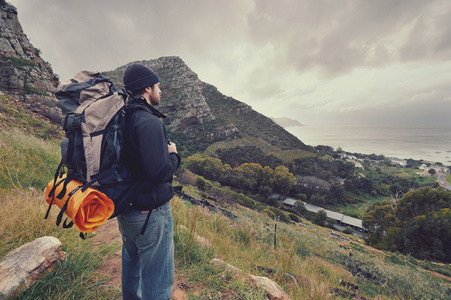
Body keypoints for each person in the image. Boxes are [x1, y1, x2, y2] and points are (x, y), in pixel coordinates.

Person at [118, 63, 181, 300]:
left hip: (127, 210)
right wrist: (174, 155)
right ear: (147, 88)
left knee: (132, 272)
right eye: (158, 85)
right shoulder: (150, 122)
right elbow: (159, 173)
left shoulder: (122, 118)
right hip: (151, 216)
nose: (160, 90)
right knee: (158, 282)